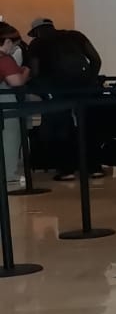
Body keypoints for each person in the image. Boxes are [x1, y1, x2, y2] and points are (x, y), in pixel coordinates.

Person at [26, 16, 103, 176]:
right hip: (84, 88)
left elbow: (35, 71)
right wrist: (90, 81)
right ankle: (93, 167)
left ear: (36, 31)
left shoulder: (37, 44)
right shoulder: (76, 35)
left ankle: (66, 169)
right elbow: (96, 59)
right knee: (89, 125)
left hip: (57, 90)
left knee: (61, 127)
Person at [0, 23, 31, 187]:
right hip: (5, 101)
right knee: (11, 136)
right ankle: (8, 173)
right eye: (14, 44)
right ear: (7, 41)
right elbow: (17, 81)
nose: (14, 49)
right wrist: (26, 71)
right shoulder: (4, 58)